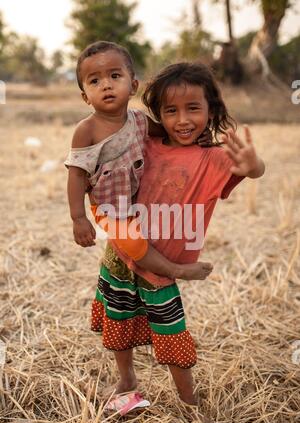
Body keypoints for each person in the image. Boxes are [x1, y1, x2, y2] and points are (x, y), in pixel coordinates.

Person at [91, 61, 265, 410]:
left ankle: (189, 401)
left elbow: (251, 170)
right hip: (122, 254)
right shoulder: (144, 145)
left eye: (193, 109)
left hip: (162, 268)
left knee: (171, 333)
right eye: (171, 111)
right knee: (118, 320)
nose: (182, 120)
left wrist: (254, 166)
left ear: (211, 110)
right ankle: (126, 378)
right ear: (159, 114)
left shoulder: (213, 159)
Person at [65, 40, 213, 282]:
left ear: (133, 85)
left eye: (114, 75)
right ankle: (175, 270)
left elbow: (170, 133)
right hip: (109, 207)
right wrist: (78, 218)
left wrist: (199, 136)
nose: (106, 85)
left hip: (139, 202)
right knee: (132, 241)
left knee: (160, 229)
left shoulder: (140, 121)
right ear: (85, 97)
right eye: (94, 81)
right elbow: (76, 175)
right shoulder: (87, 130)